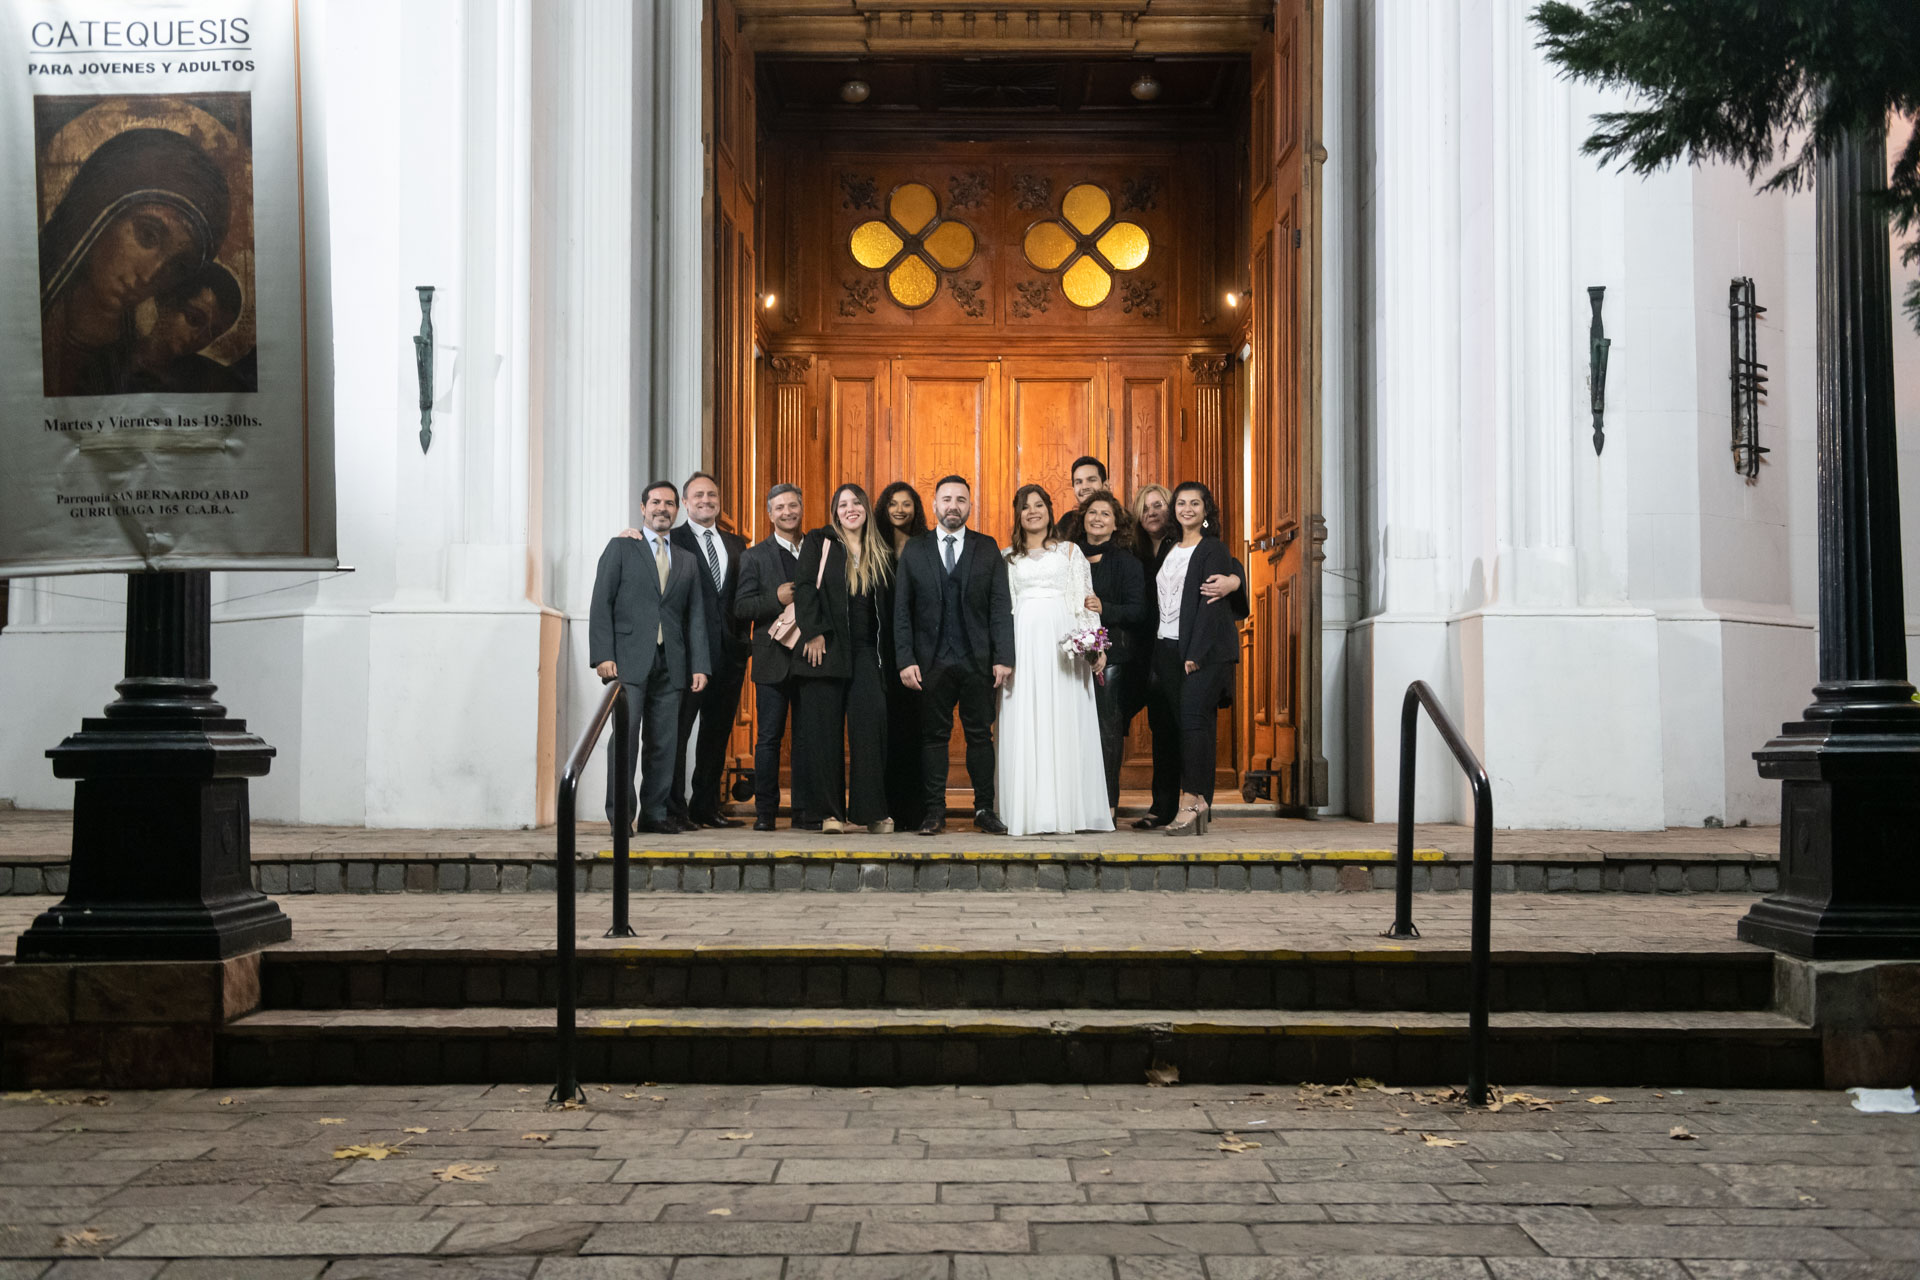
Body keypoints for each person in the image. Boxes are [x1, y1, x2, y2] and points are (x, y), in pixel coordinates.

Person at [39, 128, 232, 398]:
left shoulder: (135, 363)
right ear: (97, 212)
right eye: (148, 236)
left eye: (178, 266)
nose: (150, 275)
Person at [893, 475, 1014, 836]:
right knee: (933, 737)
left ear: (970, 506)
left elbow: (1000, 606)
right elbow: (902, 611)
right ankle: (934, 811)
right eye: (946, 499)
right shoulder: (915, 549)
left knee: (980, 736)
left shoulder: (987, 547)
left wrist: (1004, 656)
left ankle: (984, 809)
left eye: (961, 500)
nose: (953, 506)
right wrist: (905, 659)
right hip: (930, 662)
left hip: (978, 660)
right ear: (934, 505)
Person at [589, 481, 710, 835]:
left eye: (669, 503)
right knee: (625, 741)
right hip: (628, 660)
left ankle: (655, 814)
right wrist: (603, 655)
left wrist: (700, 665)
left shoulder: (687, 560)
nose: (662, 508)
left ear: (678, 509)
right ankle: (620, 817)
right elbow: (601, 602)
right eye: (655, 502)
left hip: (672, 664)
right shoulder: (621, 547)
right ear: (643, 508)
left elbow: (695, 616)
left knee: (664, 744)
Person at [996, 485, 1113, 837]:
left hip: (1064, 649)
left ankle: (1069, 809)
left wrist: (1095, 645)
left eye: (1039, 505)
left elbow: (1085, 600)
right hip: (1023, 647)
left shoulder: (1070, 552)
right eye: (1025, 507)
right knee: (1027, 718)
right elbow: (1004, 609)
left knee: (1064, 718)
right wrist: (1003, 655)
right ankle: (1030, 811)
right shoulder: (1007, 558)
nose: (1033, 511)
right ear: (1018, 515)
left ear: (1049, 510)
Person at [1143, 481, 1248, 836]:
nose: (1187, 509)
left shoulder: (1212, 548)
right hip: (1168, 648)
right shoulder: (1170, 547)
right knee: (1184, 726)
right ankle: (1192, 804)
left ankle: (1194, 801)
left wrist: (1195, 653)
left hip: (1202, 652)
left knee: (1193, 723)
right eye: (1181, 503)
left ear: (1206, 511)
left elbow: (1210, 604)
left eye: (1195, 503)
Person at [794, 484, 896, 834]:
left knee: (870, 731)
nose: (850, 509)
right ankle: (830, 814)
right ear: (835, 512)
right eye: (842, 504)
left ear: (866, 508)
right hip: (826, 647)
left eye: (856, 503)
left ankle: (872, 812)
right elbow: (804, 587)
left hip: (867, 652)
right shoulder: (819, 541)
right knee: (824, 735)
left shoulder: (880, 549)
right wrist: (814, 632)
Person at [668, 473, 749, 829]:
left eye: (711, 494)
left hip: (729, 656)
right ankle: (672, 808)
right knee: (677, 734)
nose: (706, 500)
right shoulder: (672, 539)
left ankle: (706, 806)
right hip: (687, 657)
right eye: (698, 495)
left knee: (716, 736)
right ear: (685, 503)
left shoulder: (737, 543)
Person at [733, 484, 811, 831]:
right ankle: (765, 812)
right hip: (772, 659)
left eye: (792, 505)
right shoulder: (753, 557)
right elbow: (741, 607)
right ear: (769, 514)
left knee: (807, 740)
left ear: (801, 508)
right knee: (768, 740)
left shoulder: (819, 550)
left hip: (812, 656)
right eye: (779, 508)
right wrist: (775, 599)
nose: (787, 512)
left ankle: (805, 811)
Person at [1074, 490, 1149, 816]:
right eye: (1092, 512)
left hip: (1113, 659)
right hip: (1072, 657)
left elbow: (1139, 611)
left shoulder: (1127, 563)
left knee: (1107, 731)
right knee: (1073, 729)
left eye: (1105, 514)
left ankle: (1107, 805)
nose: (1097, 518)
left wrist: (1106, 608)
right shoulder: (1069, 556)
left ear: (1116, 524)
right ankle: (1075, 804)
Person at [875, 481, 930, 829]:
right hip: (881, 650)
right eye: (893, 503)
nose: (899, 509)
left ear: (916, 509)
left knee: (916, 729)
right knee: (885, 729)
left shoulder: (925, 545)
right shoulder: (874, 546)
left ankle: (916, 811)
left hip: (918, 650)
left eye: (906, 504)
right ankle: (887, 806)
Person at [1052, 456, 1110, 543]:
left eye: (1091, 480)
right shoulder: (1067, 521)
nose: (1085, 487)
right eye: (1078, 482)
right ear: (1073, 489)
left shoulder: (1120, 520)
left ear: (1105, 485)